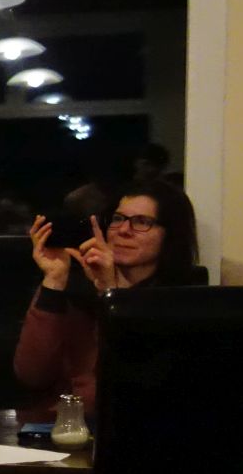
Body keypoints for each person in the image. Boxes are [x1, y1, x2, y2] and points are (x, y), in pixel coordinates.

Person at [14, 177, 199, 418]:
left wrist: (109, 292)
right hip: (58, 428)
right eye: (118, 219)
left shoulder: (178, 302)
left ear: (170, 235)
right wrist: (54, 280)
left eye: (142, 222)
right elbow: (31, 374)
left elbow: (139, 384)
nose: (123, 231)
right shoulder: (73, 285)